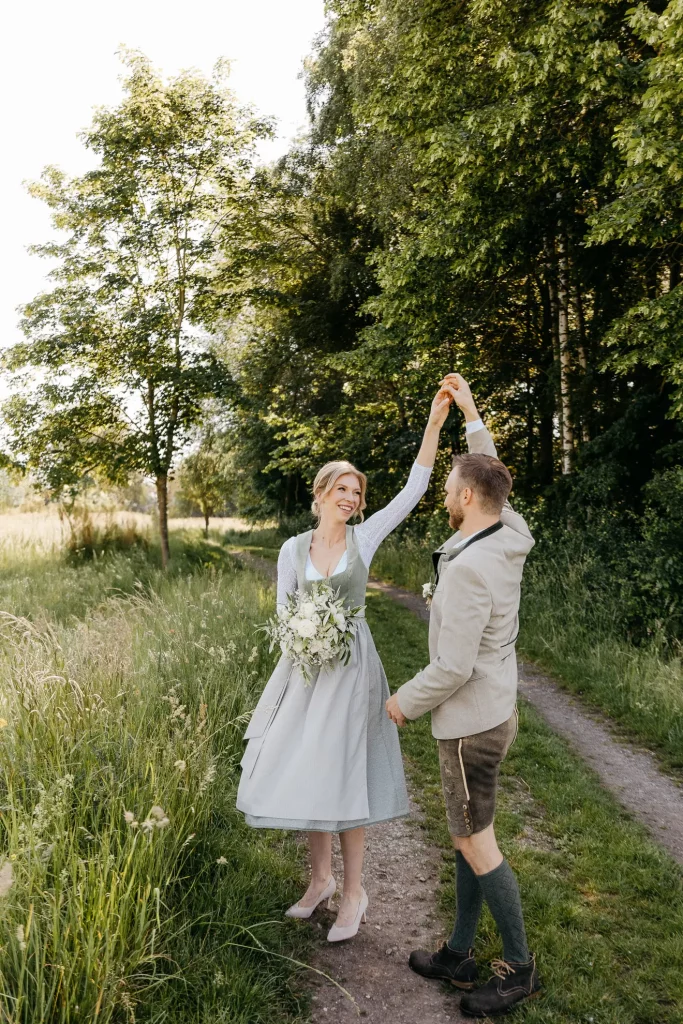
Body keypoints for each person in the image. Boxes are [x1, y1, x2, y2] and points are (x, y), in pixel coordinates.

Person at [236, 386, 453, 942]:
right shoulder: (291, 549)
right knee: (310, 768)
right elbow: (285, 615)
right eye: (343, 488)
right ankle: (320, 882)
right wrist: (302, 644)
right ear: (321, 493)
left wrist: (433, 424)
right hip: (306, 672)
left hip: (354, 670)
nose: (351, 497)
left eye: (357, 491)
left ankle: (355, 892)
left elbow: (413, 491)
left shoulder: (366, 537)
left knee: (345, 770)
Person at [386, 373, 541, 1017]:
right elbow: (493, 471)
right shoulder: (509, 531)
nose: (445, 496)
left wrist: (401, 703)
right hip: (493, 709)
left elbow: (451, 667)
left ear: (469, 495)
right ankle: (458, 950)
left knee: (478, 842)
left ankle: (519, 968)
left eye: (450, 489)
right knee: (467, 836)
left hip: (469, 723)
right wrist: (471, 412)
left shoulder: (476, 566)